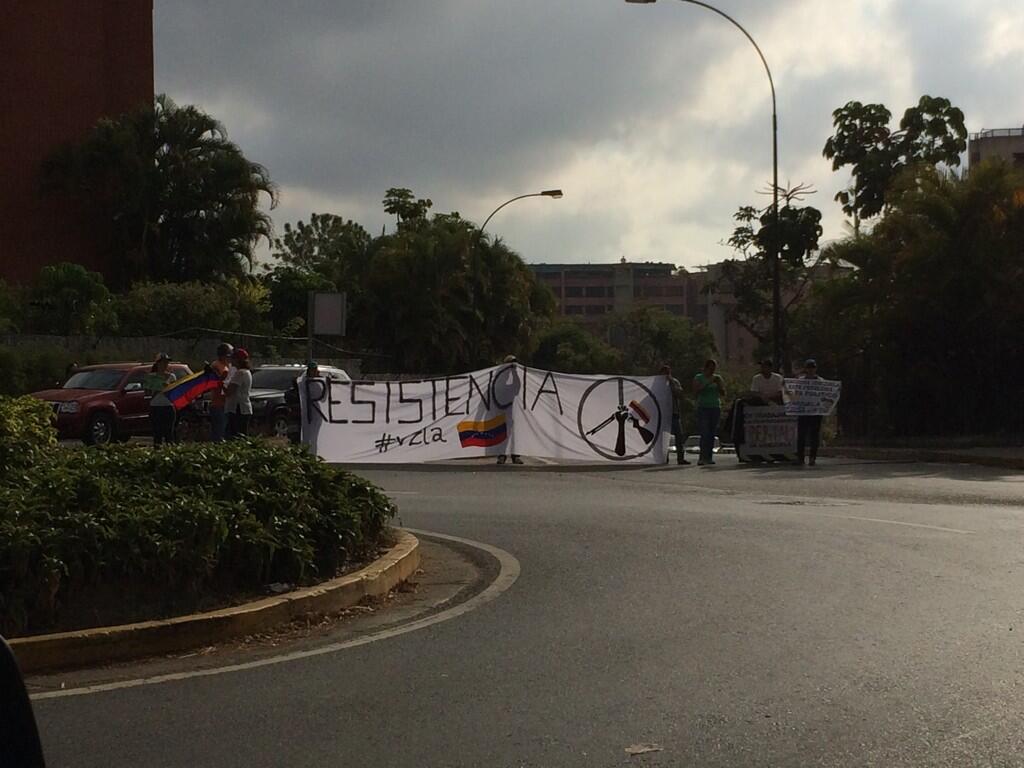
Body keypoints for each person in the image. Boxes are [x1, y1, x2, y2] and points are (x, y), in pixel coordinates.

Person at [692, 359, 725, 466]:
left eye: (714, 369)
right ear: (706, 368)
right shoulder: (699, 377)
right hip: (703, 407)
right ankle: (702, 457)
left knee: (711, 433)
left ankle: (709, 457)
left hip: (715, 407)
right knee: (704, 432)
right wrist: (708, 382)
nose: (712, 371)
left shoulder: (717, 378)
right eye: (710, 368)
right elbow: (696, 391)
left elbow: (723, 393)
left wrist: (719, 385)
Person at [660, 364, 691, 466]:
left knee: (679, 436)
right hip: (663, 415)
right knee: (663, 438)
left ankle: (680, 458)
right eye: (664, 372)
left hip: (674, 413)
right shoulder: (656, 384)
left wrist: (671, 382)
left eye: (668, 372)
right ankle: (664, 458)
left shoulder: (675, 382)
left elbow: (680, 394)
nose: (666, 374)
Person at [144, 353, 178, 447]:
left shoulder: (171, 376)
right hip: (155, 407)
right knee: (157, 434)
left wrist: (168, 388)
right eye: (163, 363)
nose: (165, 365)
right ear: (158, 363)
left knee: (169, 434)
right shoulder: (151, 377)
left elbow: (175, 394)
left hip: (168, 407)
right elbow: (147, 393)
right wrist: (155, 389)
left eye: (166, 363)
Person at [496, 354, 523, 465]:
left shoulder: (515, 377)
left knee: (514, 435)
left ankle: (515, 456)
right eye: (510, 363)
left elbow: (517, 387)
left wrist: (514, 372)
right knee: (502, 434)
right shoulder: (498, 378)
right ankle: (502, 456)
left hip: (513, 412)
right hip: (501, 412)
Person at [796, 358, 823, 466]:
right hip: (803, 412)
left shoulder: (821, 381)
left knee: (814, 436)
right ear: (806, 369)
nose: (811, 370)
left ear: (815, 368)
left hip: (816, 412)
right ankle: (800, 458)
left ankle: (812, 458)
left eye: (813, 367)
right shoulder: (800, 381)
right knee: (801, 435)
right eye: (809, 367)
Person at [224, 348, 253, 438]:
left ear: (238, 360)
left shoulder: (240, 373)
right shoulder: (247, 372)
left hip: (238, 408)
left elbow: (230, 391)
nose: (231, 360)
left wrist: (220, 383)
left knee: (234, 435)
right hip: (244, 407)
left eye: (233, 358)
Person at [209, 342, 233, 442]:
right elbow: (216, 381)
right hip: (218, 403)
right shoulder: (216, 365)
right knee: (219, 431)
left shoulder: (228, 365)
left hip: (227, 402)